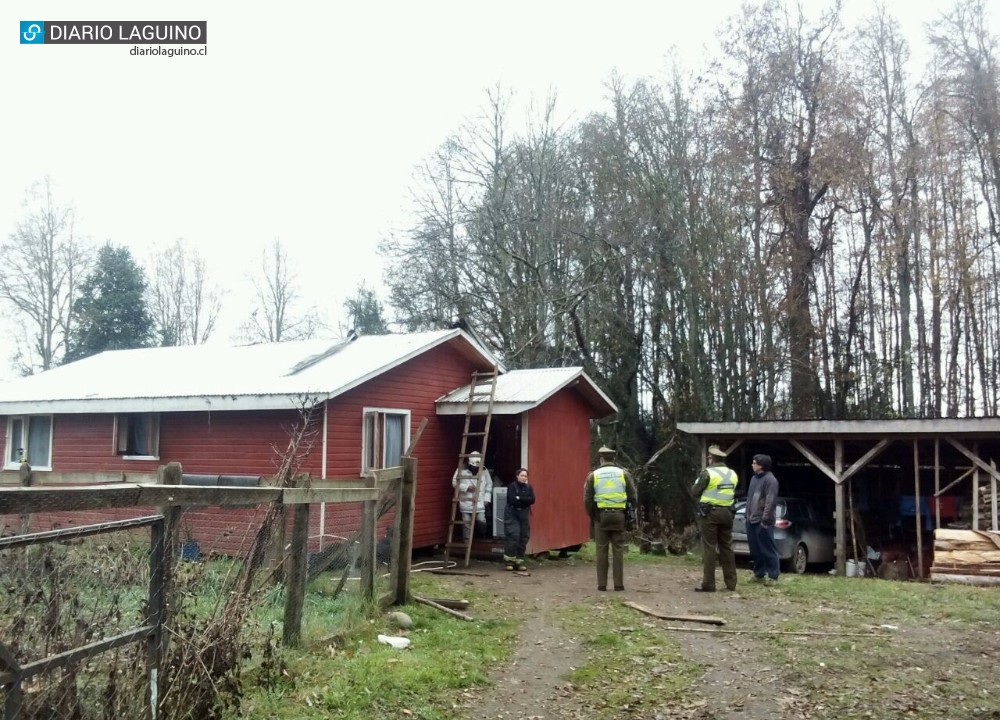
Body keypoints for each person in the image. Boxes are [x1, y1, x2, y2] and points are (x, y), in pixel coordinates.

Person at [584, 445, 637, 592]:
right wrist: (629, 513)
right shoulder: (623, 474)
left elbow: (587, 499)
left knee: (601, 550)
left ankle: (602, 585)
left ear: (601, 459)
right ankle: (619, 585)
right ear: (613, 459)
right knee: (618, 550)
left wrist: (593, 515)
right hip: (619, 515)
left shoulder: (593, 475)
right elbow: (633, 496)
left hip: (601, 516)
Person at [690, 444, 738, 592]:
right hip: (728, 513)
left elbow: (695, 492)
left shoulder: (707, 473)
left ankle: (709, 584)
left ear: (712, 459)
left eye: (709, 457)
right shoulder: (733, 474)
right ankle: (731, 583)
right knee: (727, 547)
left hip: (710, 513)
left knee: (709, 547)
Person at [746, 453, 780, 585]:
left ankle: (773, 576)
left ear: (761, 465)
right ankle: (759, 574)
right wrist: (747, 516)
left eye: (754, 462)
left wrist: (765, 520)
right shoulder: (754, 479)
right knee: (755, 549)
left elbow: (770, 502)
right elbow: (750, 499)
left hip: (763, 521)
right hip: (751, 519)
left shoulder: (770, 480)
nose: (752, 464)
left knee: (768, 548)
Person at [452, 451, 493, 541]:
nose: (476, 468)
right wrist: (466, 487)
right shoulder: (461, 469)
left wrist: (487, 499)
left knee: (481, 521)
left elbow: (489, 485)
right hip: (466, 501)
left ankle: (482, 537)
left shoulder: (484, 470)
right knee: (466, 524)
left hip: (480, 501)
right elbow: (454, 482)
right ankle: (466, 542)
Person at [503, 467, 535, 571]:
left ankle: (519, 561)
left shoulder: (529, 487)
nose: (524, 478)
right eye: (522, 475)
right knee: (513, 535)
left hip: (523, 514)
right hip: (512, 513)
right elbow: (512, 500)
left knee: (523, 537)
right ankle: (509, 562)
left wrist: (520, 498)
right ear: (517, 476)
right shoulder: (512, 486)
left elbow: (532, 500)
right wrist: (524, 500)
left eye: (525, 476)